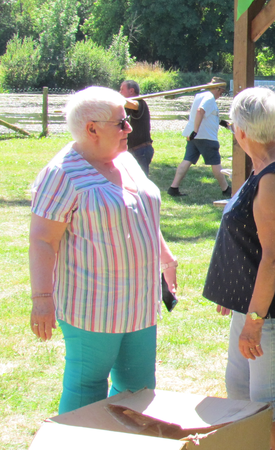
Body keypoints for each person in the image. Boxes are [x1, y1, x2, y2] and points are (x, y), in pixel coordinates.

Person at [28, 86, 178, 413]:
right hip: (92, 307)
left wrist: (165, 257)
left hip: (139, 303)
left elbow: (139, 212)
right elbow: (42, 239)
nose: (129, 129)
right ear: (91, 129)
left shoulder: (125, 160)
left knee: (137, 390)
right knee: (86, 390)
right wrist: (41, 299)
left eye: (128, 121)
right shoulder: (61, 173)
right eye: (121, 123)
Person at [202, 87, 275, 450]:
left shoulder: (271, 180)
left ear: (242, 132)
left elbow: (273, 257)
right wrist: (232, 291)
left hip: (269, 310)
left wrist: (253, 320)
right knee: (239, 388)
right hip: (255, 303)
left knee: (269, 399)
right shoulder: (270, 161)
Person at [168, 76, 231, 197]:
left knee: (187, 161)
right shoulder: (209, 97)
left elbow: (209, 115)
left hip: (194, 137)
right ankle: (226, 189)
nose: (221, 95)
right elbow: (200, 111)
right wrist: (195, 131)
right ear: (217, 89)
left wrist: (224, 124)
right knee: (216, 163)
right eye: (222, 92)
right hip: (205, 137)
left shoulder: (200, 95)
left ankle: (173, 187)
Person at [119, 79, 154, 175]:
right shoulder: (124, 106)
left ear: (131, 91)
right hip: (130, 151)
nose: (119, 92)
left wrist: (115, 98)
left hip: (140, 151)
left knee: (142, 183)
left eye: (122, 90)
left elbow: (134, 105)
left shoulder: (139, 103)